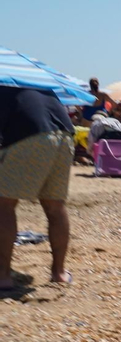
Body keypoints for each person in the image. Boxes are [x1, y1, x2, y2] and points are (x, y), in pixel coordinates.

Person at [0, 87, 76, 291]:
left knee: (4, 205)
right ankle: (59, 273)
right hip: (65, 136)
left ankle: (3, 275)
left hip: (31, 135)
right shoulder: (36, 83)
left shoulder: (3, 88)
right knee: (55, 206)